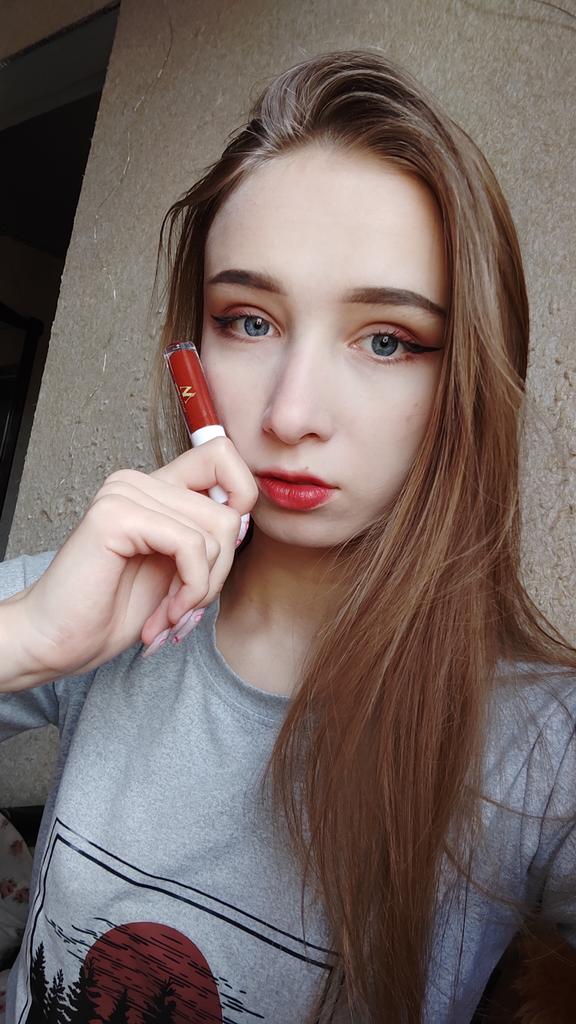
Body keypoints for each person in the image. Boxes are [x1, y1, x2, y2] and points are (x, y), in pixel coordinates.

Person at [0, 49, 574, 1024]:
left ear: (468, 378)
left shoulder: (539, 745)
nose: (293, 412)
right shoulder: (98, 599)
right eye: (250, 322)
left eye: (386, 339)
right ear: (194, 348)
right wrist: (27, 640)